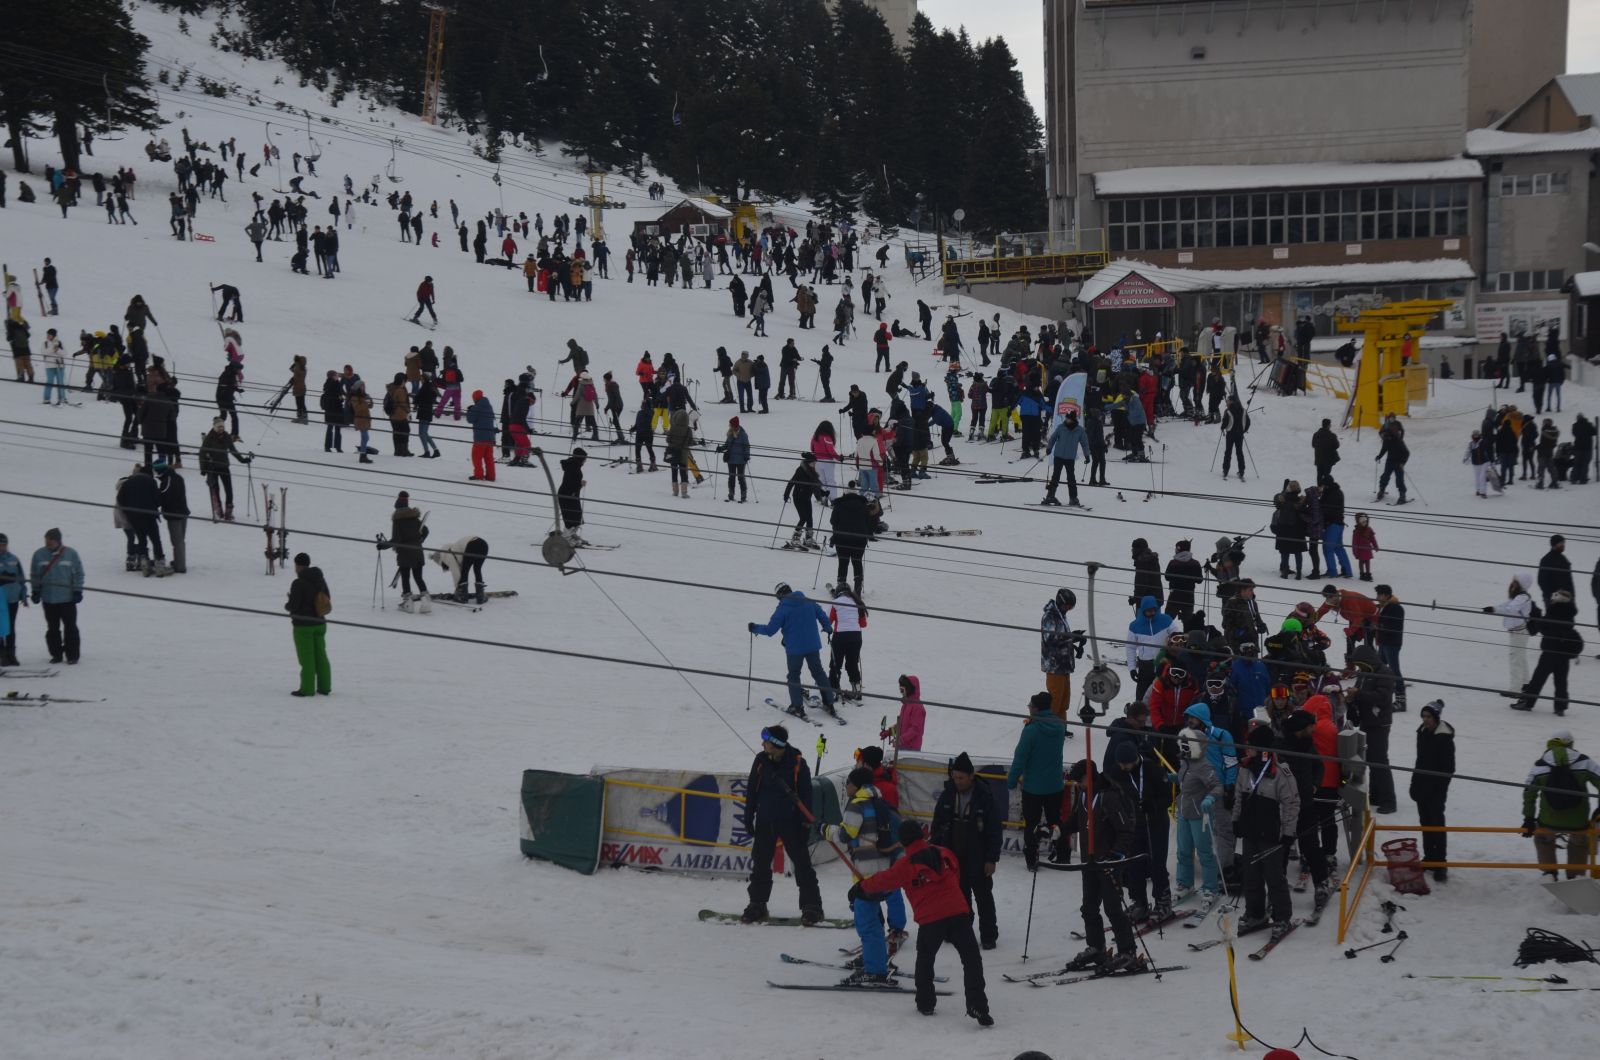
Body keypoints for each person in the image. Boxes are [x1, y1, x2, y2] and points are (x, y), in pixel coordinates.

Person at [854, 821, 992, 1023]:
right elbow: (955, 874)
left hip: (930, 919)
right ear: (922, 835)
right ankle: (978, 1006)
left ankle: (926, 1003)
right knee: (971, 960)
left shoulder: (905, 865)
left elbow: (882, 881)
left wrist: (860, 888)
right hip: (958, 912)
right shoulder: (944, 853)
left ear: (901, 841)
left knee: (926, 960)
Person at [824, 768, 907, 986]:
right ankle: (878, 961)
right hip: (883, 869)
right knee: (873, 919)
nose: (846, 787)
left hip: (866, 871)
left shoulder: (857, 804)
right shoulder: (879, 801)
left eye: (848, 783)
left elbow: (845, 834)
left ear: (856, 785)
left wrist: (825, 830)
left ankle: (875, 970)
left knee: (867, 922)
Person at [1060, 758, 1141, 973]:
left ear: (1090, 776)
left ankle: (1128, 951)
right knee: (1089, 908)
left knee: (1113, 908)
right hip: (1090, 861)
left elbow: (1125, 831)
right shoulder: (1084, 794)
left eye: (1080, 780)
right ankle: (1096, 947)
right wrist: (1057, 831)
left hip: (1109, 863)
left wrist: (1115, 855)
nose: (1077, 785)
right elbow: (1077, 819)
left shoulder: (1109, 797)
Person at [741, 725, 824, 924]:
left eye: (766, 741)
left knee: (803, 865)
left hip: (792, 823)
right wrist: (748, 816)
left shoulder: (798, 763)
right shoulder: (760, 761)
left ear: (776, 744)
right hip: (765, 820)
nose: (762, 744)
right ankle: (757, 904)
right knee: (760, 865)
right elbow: (752, 790)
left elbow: (806, 795)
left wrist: (804, 823)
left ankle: (812, 907)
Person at [929, 753, 1002, 950]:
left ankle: (988, 936)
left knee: (983, 897)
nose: (958, 781)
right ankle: (961, 931)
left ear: (971, 775)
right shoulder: (947, 795)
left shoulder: (984, 796)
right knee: (959, 898)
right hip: (953, 857)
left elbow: (994, 830)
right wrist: (935, 851)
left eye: (961, 777)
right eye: (955, 777)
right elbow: (937, 826)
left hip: (978, 857)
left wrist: (991, 858)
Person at [1233, 726, 1299, 940]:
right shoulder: (1244, 768)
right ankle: (1255, 913)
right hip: (1251, 830)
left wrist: (1288, 832)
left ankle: (1282, 917)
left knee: (1274, 876)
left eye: (1251, 746)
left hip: (1272, 834)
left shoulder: (1280, 771)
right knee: (1250, 875)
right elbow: (1238, 797)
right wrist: (1236, 820)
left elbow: (1291, 803)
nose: (1247, 749)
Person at [749, 582, 837, 719]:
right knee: (818, 672)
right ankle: (829, 703)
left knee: (794, 676)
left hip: (795, 649)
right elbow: (822, 615)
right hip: (813, 645)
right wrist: (827, 627)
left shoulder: (783, 609)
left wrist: (755, 628)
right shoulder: (809, 601)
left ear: (780, 596)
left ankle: (797, 707)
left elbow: (770, 630)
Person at [1522, 730, 1600, 879]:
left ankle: (1549, 872)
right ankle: (1575, 876)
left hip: (1548, 820)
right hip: (1579, 821)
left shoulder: (1540, 764)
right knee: (1580, 842)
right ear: (1570, 744)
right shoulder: (1584, 761)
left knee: (1542, 837)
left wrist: (1528, 818)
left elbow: (1528, 792)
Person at [1006, 691, 1068, 871]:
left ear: (1037, 708)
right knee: (1055, 821)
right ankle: (1063, 854)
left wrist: (1011, 780)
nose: (1029, 709)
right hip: (1055, 785)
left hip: (1033, 787)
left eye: (1030, 706)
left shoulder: (1031, 730)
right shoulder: (1060, 726)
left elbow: (1020, 758)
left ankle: (1032, 859)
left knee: (1031, 824)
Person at [1512, 590, 1584, 715]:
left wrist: (1536, 618)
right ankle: (1560, 707)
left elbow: (1545, 628)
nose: (1552, 600)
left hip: (1550, 651)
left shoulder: (1554, 610)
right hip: (1563, 654)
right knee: (1561, 681)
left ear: (1558, 599)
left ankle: (1528, 702)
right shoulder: (1569, 612)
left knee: (1538, 679)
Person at [1173, 727, 1224, 901]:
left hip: (1200, 815)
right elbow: (1185, 780)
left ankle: (1211, 887)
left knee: (1204, 852)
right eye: (1183, 744)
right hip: (1184, 812)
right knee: (1183, 851)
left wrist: (1209, 798)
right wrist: (1174, 777)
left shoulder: (1204, 765)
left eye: (1188, 745)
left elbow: (1217, 786)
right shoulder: (1185, 763)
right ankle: (1185, 883)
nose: (1184, 748)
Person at [1410, 700, 1455, 882]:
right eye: (1423, 716)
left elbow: (1448, 768)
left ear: (1436, 717)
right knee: (1425, 823)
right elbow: (1419, 761)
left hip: (1436, 790)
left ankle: (1440, 863)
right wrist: (1415, 783)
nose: (1425, 720)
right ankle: (1429, 857)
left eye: (1428, 716)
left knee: (1437, 824)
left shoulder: (1443, 738)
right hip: (1422, 786)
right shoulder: (1422, 733)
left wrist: (1438, 790)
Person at [30, 527, 84, 665]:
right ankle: (56, 654)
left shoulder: (71, 554)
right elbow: (35, 575)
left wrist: (77, 590)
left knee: (70, 627)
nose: (47, 543)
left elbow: (79, 573)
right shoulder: (39, 555)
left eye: (50, 540)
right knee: (52, 628)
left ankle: (72, 655)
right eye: (46, 540)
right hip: (48, 599)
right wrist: (35, 591)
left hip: (67, 599)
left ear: (57, 541)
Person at [285, 552, 331, 696]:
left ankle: (307, 688)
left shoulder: (298, 583)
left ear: (298, 566)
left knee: (307, 658)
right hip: (320, 623)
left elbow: (294, 605)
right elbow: (327, 598)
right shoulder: (320, 579)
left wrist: (288, 604)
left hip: (303, 626)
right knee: (321, 657)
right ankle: (324, 687)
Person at [1484, 572, 1536, 699]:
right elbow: (1505, 605)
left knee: (1515, 659)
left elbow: (1511, 609)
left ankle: (1515, 689)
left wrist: (1495, 610)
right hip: (1518, 632)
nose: (1512, 584)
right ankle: (1525, 683)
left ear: (1522, 584)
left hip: (1520, 632)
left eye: (1515, 582)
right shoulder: (1517, 597)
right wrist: (1493, 608)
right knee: (1520, 657)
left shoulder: (1522, 598)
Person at [380, 491, 431, 612]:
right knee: (418, 577)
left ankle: (408, 603)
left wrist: (383, 545)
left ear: (397, 508)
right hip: (418, 551)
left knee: (405, 576)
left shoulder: (398, 521)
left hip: (405, 553)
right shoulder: (415, 518)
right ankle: (426, 602)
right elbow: (426, 531)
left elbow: (396, 540)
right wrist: (419, 540)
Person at [1040, 587, 1083, 718]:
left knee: (1064, 701)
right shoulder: (1050, 616)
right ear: (1060, 602)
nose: (1069, 609)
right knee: (1055, 700)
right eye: (1068, 606)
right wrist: (1071, 637)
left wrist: (1076, 641)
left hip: (1063, 665)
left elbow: (1062, 638)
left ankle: (1060, 727)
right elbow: (1050, 638)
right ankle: (1048, 727)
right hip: (1054, 666)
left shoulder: (1061, 615)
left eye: (1071, 607)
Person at [199, 417, 251, 521]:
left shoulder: (227, 436)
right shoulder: (209, 437)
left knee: (229, 489)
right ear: (215, 427)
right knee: (215, 489)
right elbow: (202, 453)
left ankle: (229, 510)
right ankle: (218, 509)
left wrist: (242, 460)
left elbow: (233, 450)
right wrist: (203, 468)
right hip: (212, 467)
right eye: (219, 427)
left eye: (222, 427)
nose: (221, 428)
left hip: (224, 466)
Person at [1125, 597, 1173, 700]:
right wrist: (1132, 669)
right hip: (1145, 666)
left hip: (1163, 663)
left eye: (1153, 610)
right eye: (1148, 611)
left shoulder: (1166, 620)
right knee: (1141, 697)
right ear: (1143, 610)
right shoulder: (1134, 626)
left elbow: (1176, 636)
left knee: (1162, 696)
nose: (1152, 613)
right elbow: (1130, 648)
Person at [1040, 408, 1089, 507]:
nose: (1067, 420)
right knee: (1055, 477)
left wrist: (1087, 455)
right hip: (1058, 456)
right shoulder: (1061, 427)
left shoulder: (1079, 430)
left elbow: (1084, 444)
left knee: (1071, 478)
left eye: (1069, 419)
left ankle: (1073, 498)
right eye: (1066, 418)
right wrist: (1049, 448)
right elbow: (1053, 438)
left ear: (1074, 419)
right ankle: (1050, 496)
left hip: (1070, 458)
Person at [830, 482, 872, 594]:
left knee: (843, 562)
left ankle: (841, 585)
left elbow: (833, 521)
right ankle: (858, 586)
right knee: (857, 561)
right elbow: (869, 522)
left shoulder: (839, 505)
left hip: (841, 539)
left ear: (845, 494)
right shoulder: (864, 506)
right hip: (859, 540)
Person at [1373, 584, 1406, 710]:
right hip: (1384, 642)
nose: (1377, 597)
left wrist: (1379, 626)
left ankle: (1401, 701)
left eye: (1379, 595)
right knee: (1380, 668)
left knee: (1394, 671)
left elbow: (1393, 627)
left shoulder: (1395, 608)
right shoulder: (1385, 607)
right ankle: (1384, 694)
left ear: (1386, 595)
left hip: (1391, 643)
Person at [0, 533, 26, 666]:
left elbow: (21, 577)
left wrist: (23, 594)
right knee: (0, 627)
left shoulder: (14, 559)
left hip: (12, 599)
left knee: (10, 627)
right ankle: (2, 654)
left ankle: (11, 654)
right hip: (0, 600)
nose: (2, 547)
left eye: (4, 544)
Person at [1375, 416, 1409, 503]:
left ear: (1389, 435)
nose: (1383, 438)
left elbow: (1406, 453)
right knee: (1385, 477)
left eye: (1385, 436)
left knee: (1399, 479)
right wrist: (1379, 456)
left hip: (1398, 462)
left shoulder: (1398, 441)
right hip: (1389, 461)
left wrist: (1403, 463)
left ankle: (1402, 495)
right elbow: (1384, 449)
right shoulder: (1386, 440)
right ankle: (1382, 490)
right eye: (1383, 436)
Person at [717, 417, 750, 503]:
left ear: (735, 425)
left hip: (741, 460)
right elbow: (727, 445)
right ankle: (731, 494)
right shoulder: (730, 433)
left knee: (740, 477)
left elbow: (747, 446)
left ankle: (743, 495)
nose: (730, 426)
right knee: (731, 477)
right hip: (731, 459)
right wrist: (721, 448)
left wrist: (747, 456)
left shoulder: (743, 434)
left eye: (731, 425)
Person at [557, 449, 587, 544]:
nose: (585, 461)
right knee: (570, 517)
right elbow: (570, 483)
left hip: (571, 494)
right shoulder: (573, 467)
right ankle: (566, 537)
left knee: (577, 516)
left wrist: (579, 485)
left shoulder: (573, 465)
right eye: (584, 459)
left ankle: (572, 535)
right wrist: (580, 484)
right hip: (567, 495)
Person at [889, 674, 926, 753]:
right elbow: (902, 724)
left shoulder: (918, 708)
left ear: (909, 689)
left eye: (902, 690)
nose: (901, 693)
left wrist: (901, 739)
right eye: (900, 690)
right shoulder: (906, 705)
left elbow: (915, 729)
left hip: (911, 749)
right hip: (903, 746)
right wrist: (889, 732)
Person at [466, 390, 496, 482]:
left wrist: (470, 410)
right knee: (489, 458)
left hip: (480, 437)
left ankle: (479, 475)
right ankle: (491, 476)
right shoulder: (489, 406)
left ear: (475, 398)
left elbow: (470, 420)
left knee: (476, 457)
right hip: (490, 437)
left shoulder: (476, 407)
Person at [1536, 534, 1573, 608]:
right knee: (1553, 618)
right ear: (1554, 544)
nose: (1563, 545)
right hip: (1552, 600)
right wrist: (1554, 596)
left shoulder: (1564, 559)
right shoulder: (1546, 560)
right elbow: (1542, 581)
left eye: (1563, 543)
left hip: (1566, 598)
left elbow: (1569, 581)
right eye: (1561, 543)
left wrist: (1572, 596)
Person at [1220, 397, 1249, 481]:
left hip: (1230, 434)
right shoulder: (1243, 410)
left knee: (1228, 452)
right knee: (1239, 452)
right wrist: (1245, 430)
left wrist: (1222, 427)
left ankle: (1225, 470)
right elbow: (1248, 421)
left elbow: (1225, 421)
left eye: (1228, 401)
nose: (1227, 402)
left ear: (1232, 401)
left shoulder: (1228, 411)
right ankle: (1241, 471)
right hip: (1240, 434)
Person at [1312, 418, 1340, 483]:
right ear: (1328, 425)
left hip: (1319, 459)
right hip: (1328, 460)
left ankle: (1319, 490)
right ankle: (1325, 490)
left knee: (1319, 475)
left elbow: (1313, 445)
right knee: (1326, 475)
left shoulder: (1316, 434)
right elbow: (1336, 446)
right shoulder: (1332, 436)